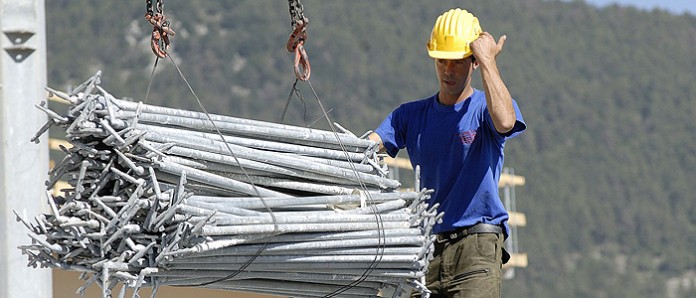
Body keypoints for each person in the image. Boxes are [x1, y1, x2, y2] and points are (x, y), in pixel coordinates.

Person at [369, 8, 526, 298]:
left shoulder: (483, 110)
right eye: (442, 61)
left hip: (476, 247)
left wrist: (489, 61)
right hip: (427, 250)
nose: (448, 70)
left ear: (473, 62)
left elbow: (505, 121)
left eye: (457, 62)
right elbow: (366, 148)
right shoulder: (410, 116)